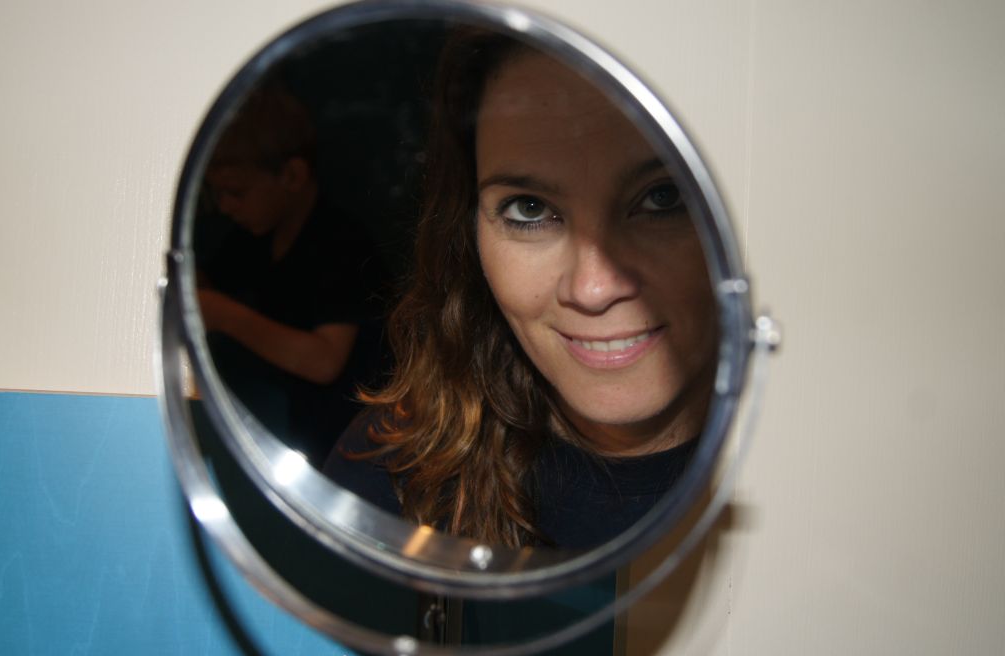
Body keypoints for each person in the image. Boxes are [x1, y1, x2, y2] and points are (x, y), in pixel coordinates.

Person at [325, 31, 717, 549]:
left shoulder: (813, 474)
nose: (593, 288)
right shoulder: (394, 475)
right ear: (469, 235)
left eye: (663, 198)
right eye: (529, 209)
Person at [197, 83, 390, 464]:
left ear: (292, 176)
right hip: (286, 433)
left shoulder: (342, 243)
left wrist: (223, 314)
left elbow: (324, 361)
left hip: (351, 447)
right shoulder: (251, 238)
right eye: (217, 195)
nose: (225, 207)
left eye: (237, 192)